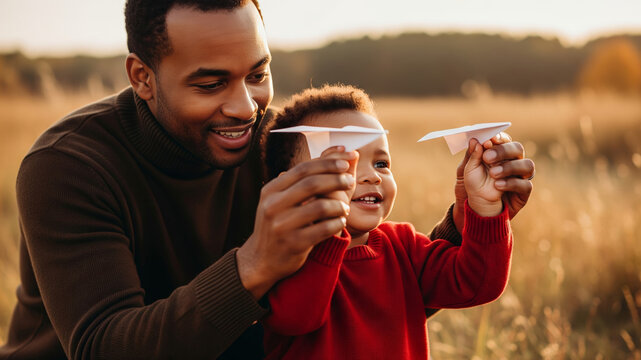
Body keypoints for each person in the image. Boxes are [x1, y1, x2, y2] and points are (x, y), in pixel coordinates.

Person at [0, 1, 534, 359]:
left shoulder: (281, 142)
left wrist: (471, 220)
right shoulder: (67, 167)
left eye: (257, 74)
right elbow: (101, 348)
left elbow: (370, 284)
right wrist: (256, 264)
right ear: (142, 76)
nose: (244, 107)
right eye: (210, 83)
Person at [260, 85, 514, 359]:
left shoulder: (404, 246)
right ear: (287, 185)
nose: (372, 176)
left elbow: (475, 284)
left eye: (381, 163)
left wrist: (486, 207)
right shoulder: (284, 256)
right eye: (342, 164)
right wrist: (328, 224)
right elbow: (296, 318)